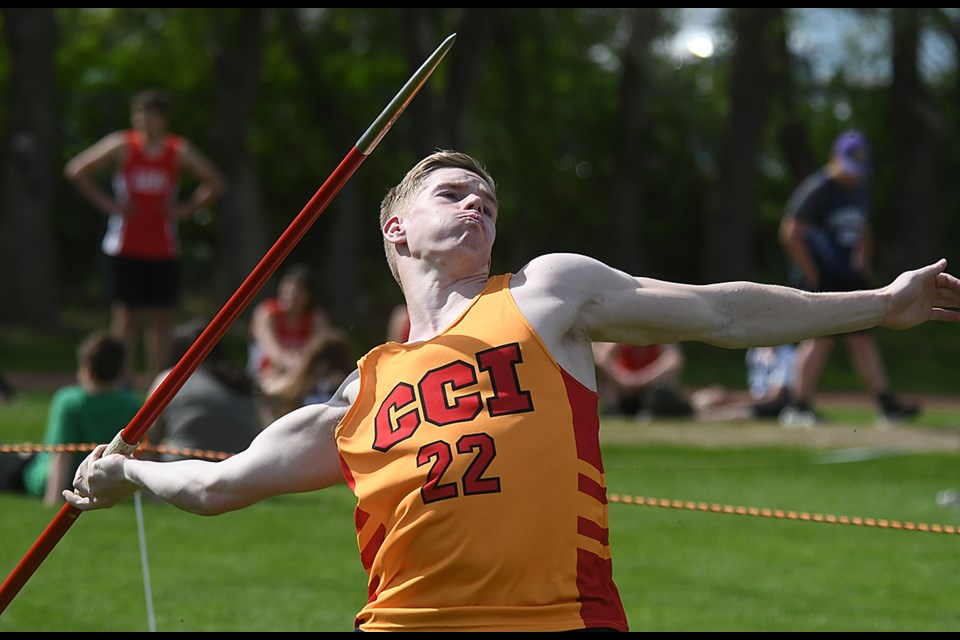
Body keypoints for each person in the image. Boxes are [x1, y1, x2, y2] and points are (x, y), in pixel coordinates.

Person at [65, 150, 960, 632]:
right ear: (397, 229)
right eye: (454, 193)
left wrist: (879, 305)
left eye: (488, 199)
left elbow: (719, 314)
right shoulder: (359, 391)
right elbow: (221, 486)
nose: (479, 205)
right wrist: (128, 474)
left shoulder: (546, 293)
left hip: (556, 623)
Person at [64, 88, 227, 388]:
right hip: (125, 243)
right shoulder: (122, 145)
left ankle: (156, 384)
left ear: (163, 119)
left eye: (150, 114)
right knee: (125, 316)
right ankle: (118, 378)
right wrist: (109, 205)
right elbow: (77, 170)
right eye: (139, 113)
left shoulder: (177, 150)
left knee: (160, 319)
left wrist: (185, 209)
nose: (143, 120)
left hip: (162, 245)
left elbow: (215, 183)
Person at [777, 130, 920, 429]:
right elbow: (791, 231)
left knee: (863, 340)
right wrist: (811, 271)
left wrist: (861, 265)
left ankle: (885, 404)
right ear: (835, 158)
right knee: (819, 340)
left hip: (848, 276)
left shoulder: (858, 191)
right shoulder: (818, 188)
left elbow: (864, 231)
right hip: (822, 275)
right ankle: (798, 406)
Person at [0, 330, 141, 507]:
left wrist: (52, 500)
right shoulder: (131, 403)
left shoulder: (70, 401)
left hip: (54, 480)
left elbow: (61, 454)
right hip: (106, 481)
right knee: (28, 453)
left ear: (87, 368)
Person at [145, 319, 262, 462]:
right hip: (238, 466)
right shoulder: (239, 381)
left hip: (185, 466)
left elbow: (149, 438)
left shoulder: (168, 380)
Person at [247, 263, 337, 422]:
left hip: (301, 379)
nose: (289, 295)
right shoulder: (267, 314)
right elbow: (274, 352)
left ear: (308, 295)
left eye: (297, 291)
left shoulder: (315, 318)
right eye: (286, 289)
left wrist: (300, 373)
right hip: (268, 375)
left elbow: (320, 352)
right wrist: (298, 369)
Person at [592, 342, 693, 419]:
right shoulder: (623, 332)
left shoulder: (659, 333)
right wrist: (622, 378)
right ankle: (613, 411)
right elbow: (601, 358)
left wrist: (643, 378)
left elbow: (674, 360)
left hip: (651, 388)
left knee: (663, 383)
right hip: (625, 391)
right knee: (609, 384)